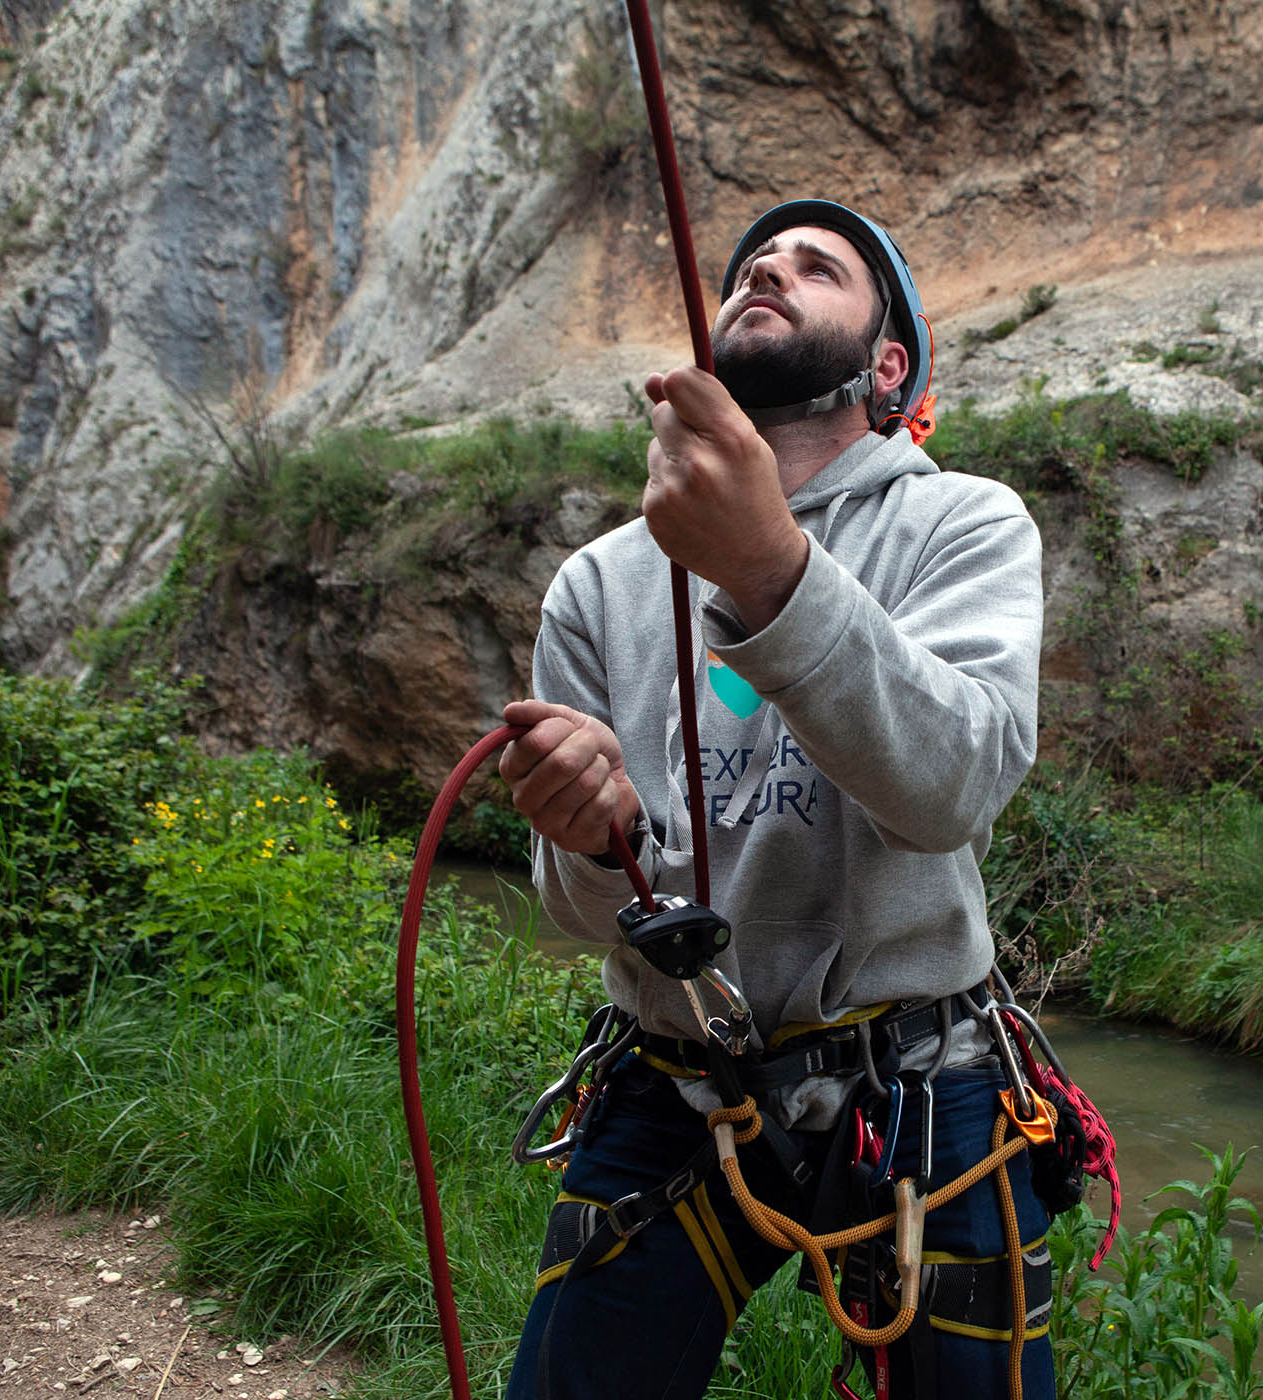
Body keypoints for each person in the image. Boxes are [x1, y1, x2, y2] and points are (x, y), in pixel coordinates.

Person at [496, 199, 1052, 1400]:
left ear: (885, 362)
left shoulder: (964, 525)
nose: (769, 274)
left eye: (817, 268)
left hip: (921, 1069)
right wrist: (594, 841)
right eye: (754, 265)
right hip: (672, 1073)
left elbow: (957, 782)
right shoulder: (599, 585)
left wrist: (767, 567)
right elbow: (583, 913)